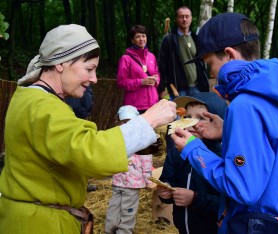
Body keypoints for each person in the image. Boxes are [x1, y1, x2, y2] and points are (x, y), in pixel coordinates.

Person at [0, 24, 176, 234]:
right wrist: (149, 120)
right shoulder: (42, 106)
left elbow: (70, 147)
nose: (94, 79)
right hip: (39, 225)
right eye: (89, 69)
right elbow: (90, 150)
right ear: (61, 64)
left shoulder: (29, 97)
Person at [170, 13, 278, 234]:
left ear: (229, 55)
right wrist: (229, 131)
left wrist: (193, 149)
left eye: (210, 64)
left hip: (251, 224)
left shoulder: (244, 105)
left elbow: (242, 188)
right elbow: (275, 151)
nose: (212, 74)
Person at [157, 92, 227, 234]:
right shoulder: (176, 153)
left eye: (201, 118)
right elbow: (167, 179)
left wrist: (195, 198)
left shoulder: (221, 157)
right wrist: (166, 191)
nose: (190, 123)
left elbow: (225, 203)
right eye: (188, 117)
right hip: (183, 229)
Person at [105, 105, 153, 234]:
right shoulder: (116, 140)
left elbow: (147, 163)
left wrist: (149, 181)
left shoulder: (143, 143)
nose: (127, 125)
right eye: (124, 122)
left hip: (133, 185)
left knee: (128, 212)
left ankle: (124, 231)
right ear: (118, 122)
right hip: (117, 183)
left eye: (130, 122)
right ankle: (110, 229)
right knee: (113, 209)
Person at [157, 6, 209, 99]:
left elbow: (202, 63)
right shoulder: (169, 40)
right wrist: (162, 88)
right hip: (177, 90)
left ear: (191, 18)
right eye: (181, 17)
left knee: (196, 114)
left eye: (187, 16)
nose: (184, 19)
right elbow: (162, 65)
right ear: (176, 19)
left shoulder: (196, 38)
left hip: (197, 88)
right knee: (180, 114)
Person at [117, 25, 160, 114]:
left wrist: (156, 80)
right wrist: (141, 82)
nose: (141, 39)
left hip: (153, 103)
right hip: (134, 106)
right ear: (132, 40)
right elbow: (121, 82)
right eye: (138, 36)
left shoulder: (151, 56)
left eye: (143, 36)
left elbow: (157, 73)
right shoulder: (126, 58)